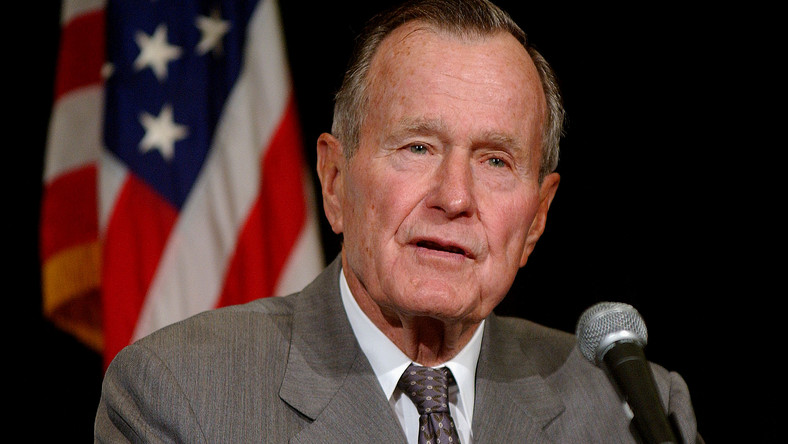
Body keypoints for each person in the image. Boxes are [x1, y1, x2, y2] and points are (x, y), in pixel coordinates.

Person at [95, 0, 701, 442]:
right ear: (335, 181)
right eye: (418, 147)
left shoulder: (632, 411)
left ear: (538, 218)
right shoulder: (182, 394)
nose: (455, 197)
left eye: (495, 160)